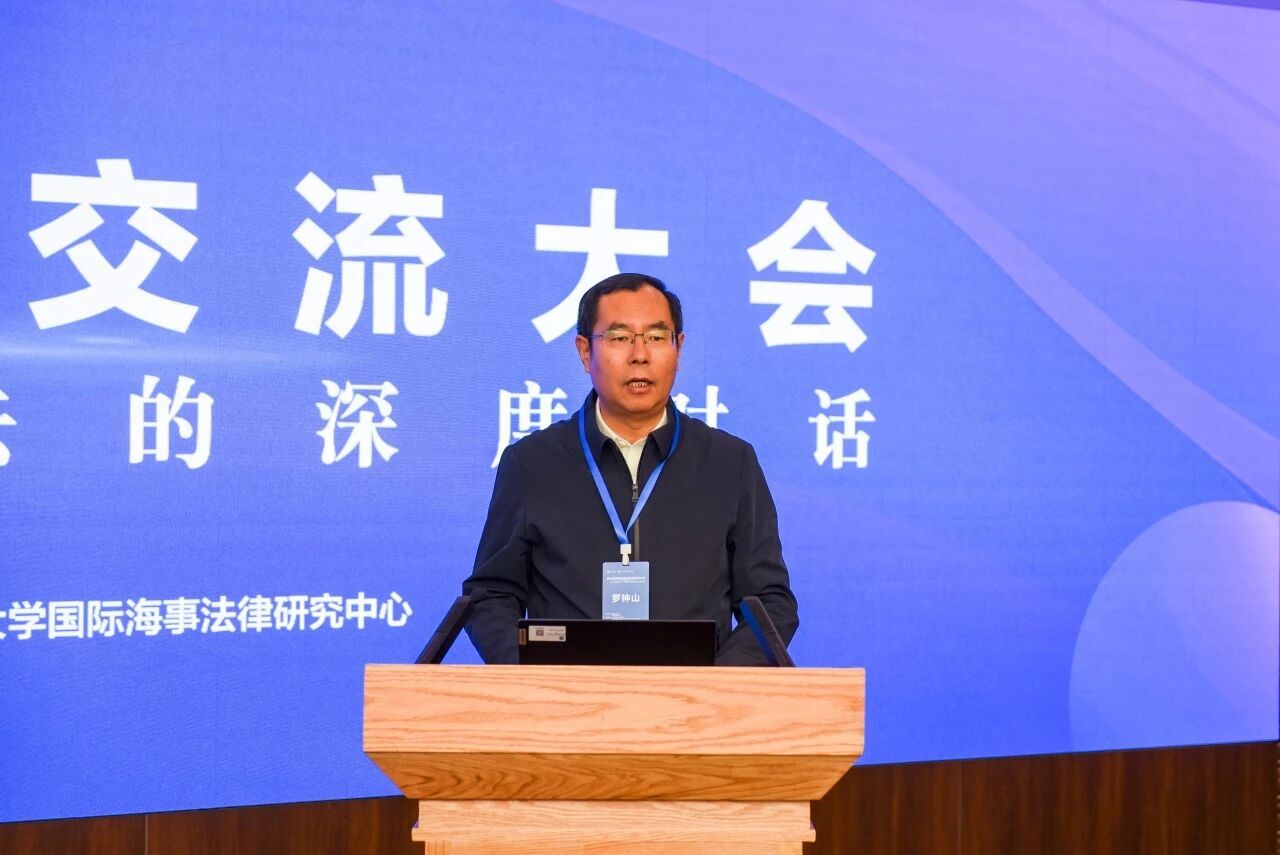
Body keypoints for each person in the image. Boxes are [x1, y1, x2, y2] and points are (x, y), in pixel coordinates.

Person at [463, 273, 798, 665]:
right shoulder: (531, 463)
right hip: (567, 696)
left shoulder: (730, 463)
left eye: (656, 337)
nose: (640, 355)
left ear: (678, 348)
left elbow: (770, 602)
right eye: (620, 337)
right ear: (585, 351)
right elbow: (491, 595)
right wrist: (538, 679)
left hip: (694, 698)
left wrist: (716, 684)